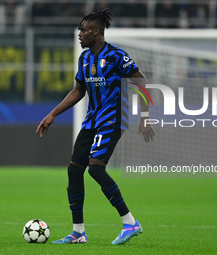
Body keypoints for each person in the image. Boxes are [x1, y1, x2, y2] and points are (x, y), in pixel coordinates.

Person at [36, 8, 154, 245]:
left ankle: (130, 222)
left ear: (96, 32)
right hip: (92, 120)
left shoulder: (116, 56)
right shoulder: (85, 58)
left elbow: (142, 82)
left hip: (112, 119)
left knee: (96, 169)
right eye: (80, 30)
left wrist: (144, 117)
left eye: (84, 30)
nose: (79, 34)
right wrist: (52, 114)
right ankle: (78, 233)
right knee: (74, 169)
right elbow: (78, 91)